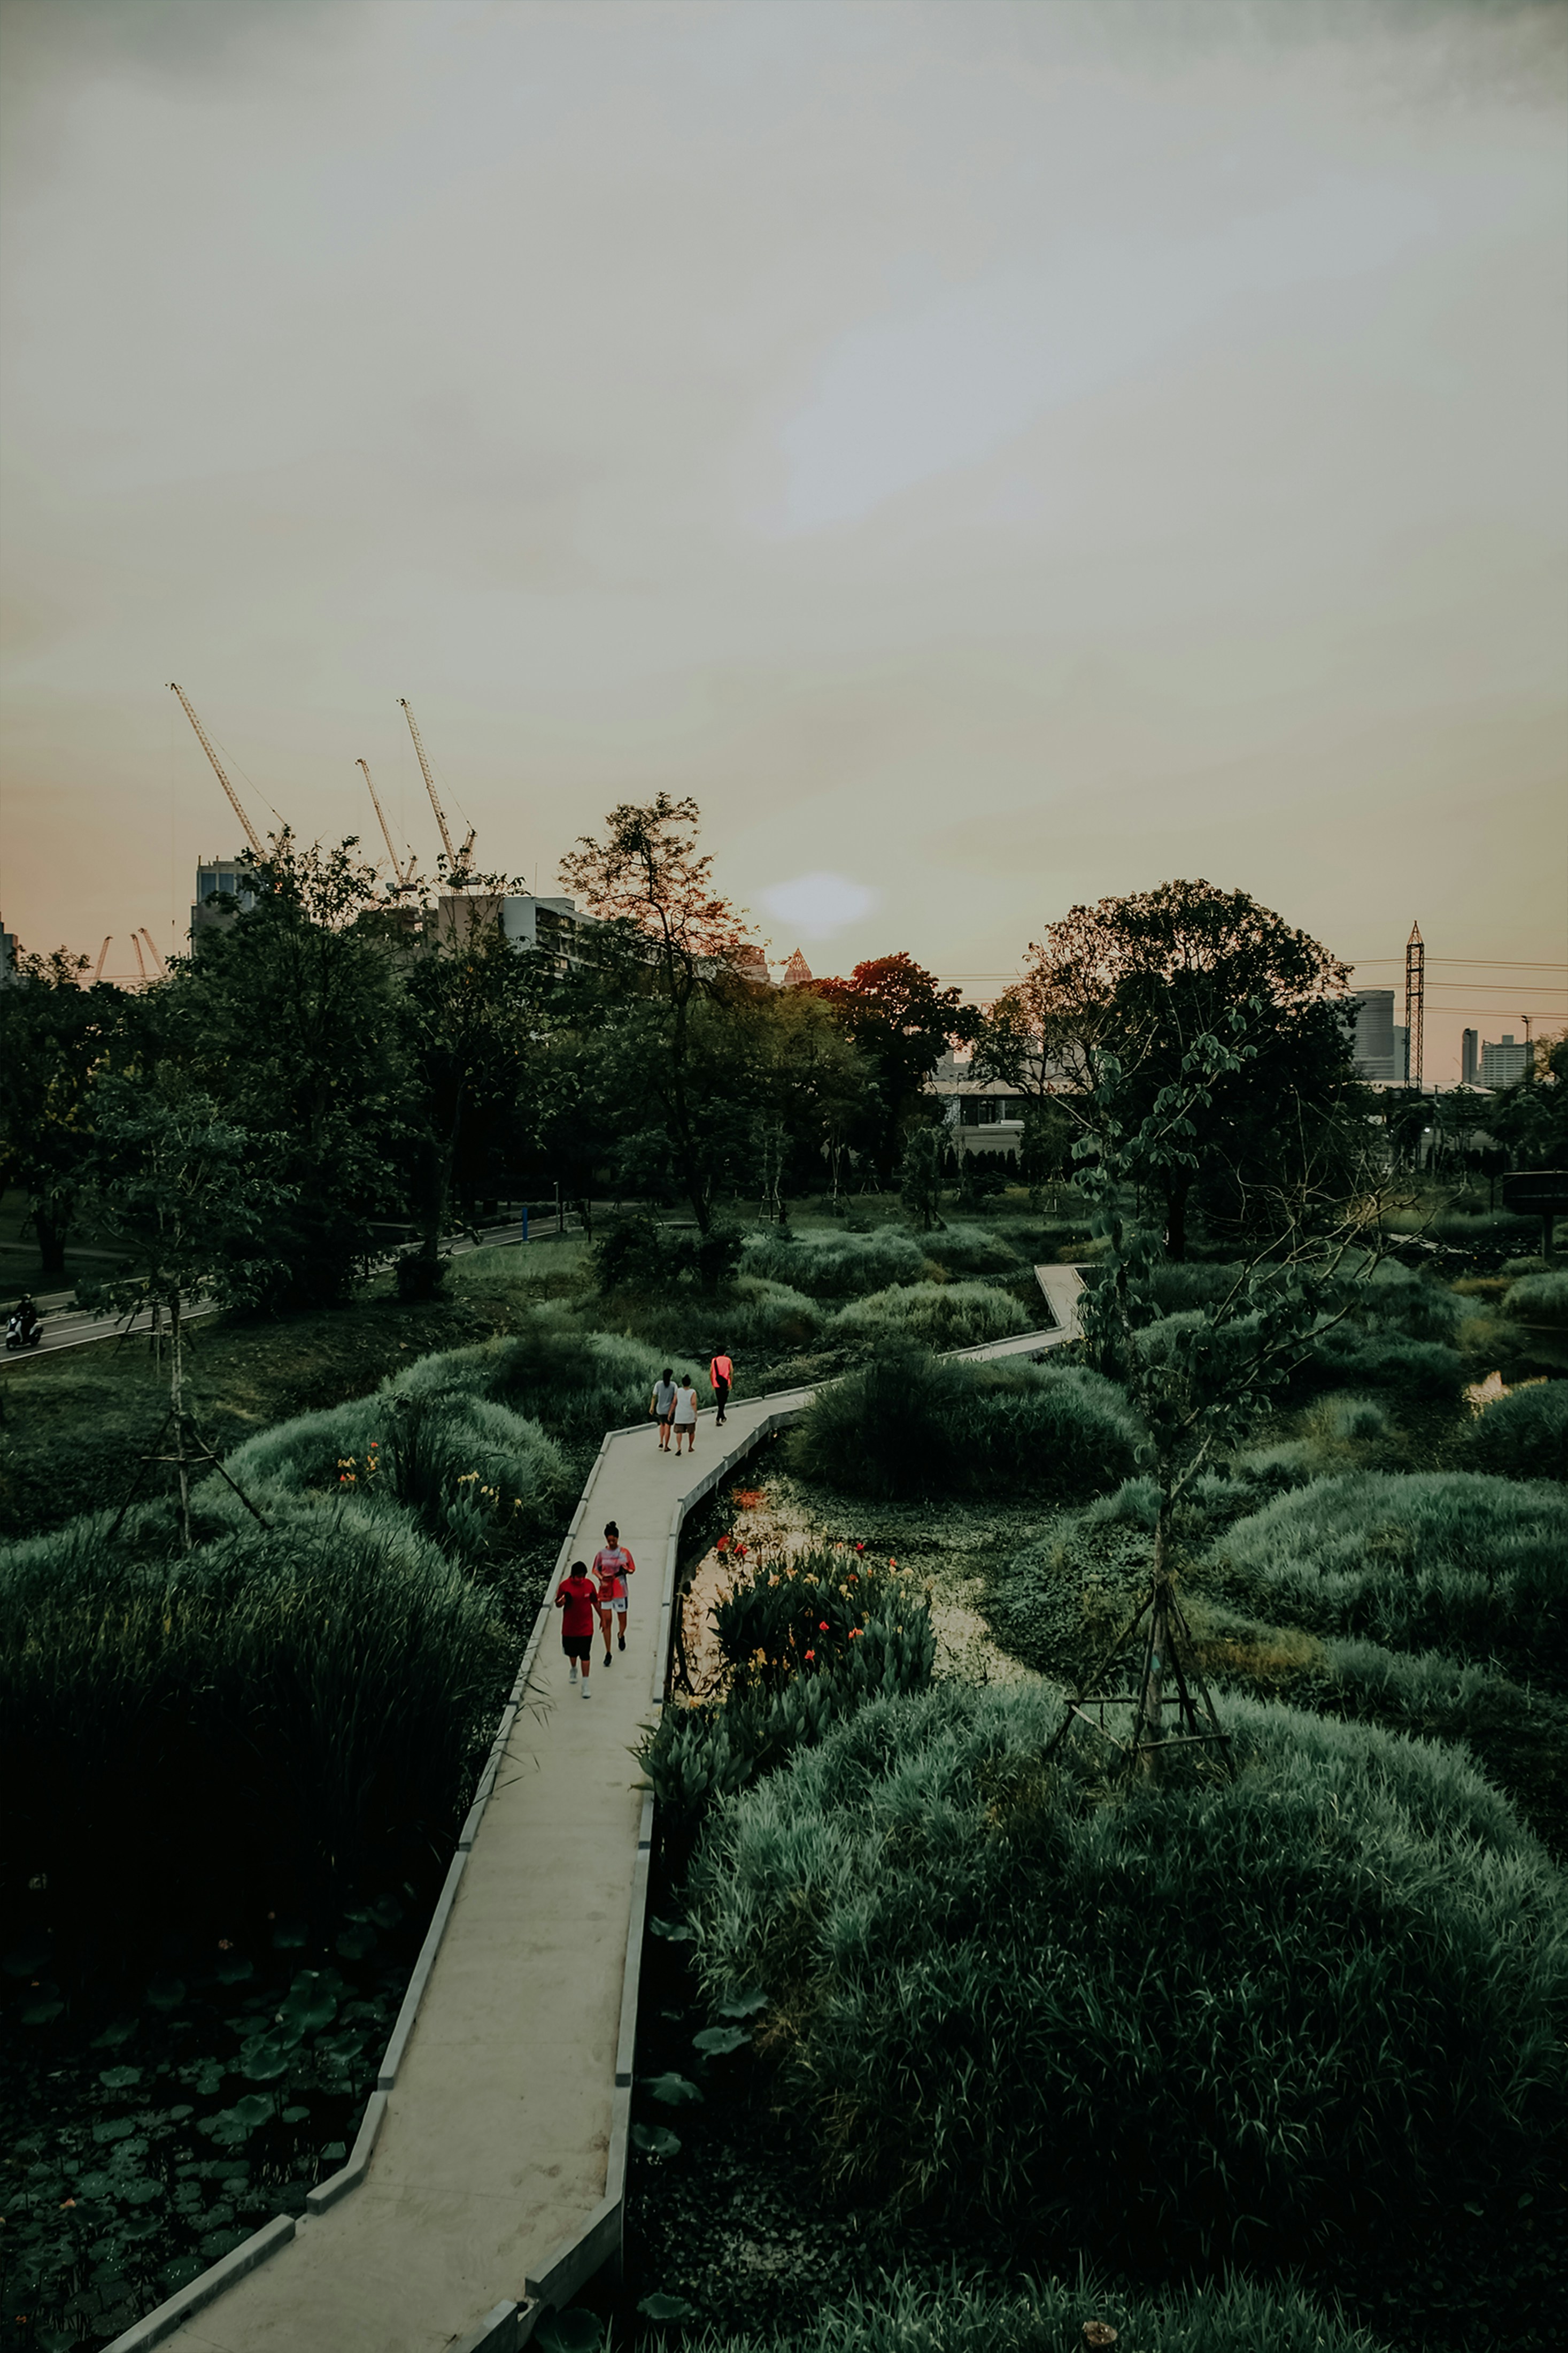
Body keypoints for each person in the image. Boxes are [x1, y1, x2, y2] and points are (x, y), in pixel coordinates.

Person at [591, 1520, 636, 1659]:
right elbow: (595, 1569)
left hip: (620, 1590)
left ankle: (621, 1635)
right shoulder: (601, 1554)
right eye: (609, 1540)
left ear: (618, 1538)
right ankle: (608, 1652)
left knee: (623, 1621)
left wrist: (627, 1570)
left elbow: (632, 1569)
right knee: (607, 1621)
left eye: (614, 1540)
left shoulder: (625, 1553)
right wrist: (601, 1578)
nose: (611, 1543)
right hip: (606, 1591)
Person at [554, 1559, 598, 1696]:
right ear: (572, 1576)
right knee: (573, 1655)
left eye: (583, 1576)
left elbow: (595, 1602)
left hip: (586, 1628)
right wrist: (562, 1602)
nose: (581, 1580)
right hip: (570, 1629)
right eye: (579, 1577)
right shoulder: (564, 1586)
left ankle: (585, 1685)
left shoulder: (589, 1585)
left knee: (585, 1655)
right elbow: (558, 1604)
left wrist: (603, 1618)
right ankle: (573, 1668)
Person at [671, 1373, 699, 1457]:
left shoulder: (678, 1391)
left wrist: (670, 1412)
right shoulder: (693, 1392)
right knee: (691, 1432)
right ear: (690, 1383)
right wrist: (696, 1414)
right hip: (689, 1415)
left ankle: (679, 1447)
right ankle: (690, 1447)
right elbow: (693, 1403)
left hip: (680, 1415)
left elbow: (674, 1402)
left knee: (679, 1432)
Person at [651, 1366, 677, 1452]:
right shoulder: (673, 1385)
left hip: (660, 1409)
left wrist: (652, 1407)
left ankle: (661, 1441)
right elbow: (676, 1398)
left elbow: (654, 1396)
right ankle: (666, 1446)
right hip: (669, 1410)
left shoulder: (658, 1384)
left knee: (662, 1425)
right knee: (668, 1427)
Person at [708, 1345, 732, 1427]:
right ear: (725, 1352)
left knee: (720, 1401)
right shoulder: (728, 1360)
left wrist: (712, 1383)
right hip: (726, 1383)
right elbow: (731, 1372)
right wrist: (730, 1383)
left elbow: (711, 1373)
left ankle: (722, 1416)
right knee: (723, 1401)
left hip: (717, 1384)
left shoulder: (714, 1361)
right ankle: (718, 1418)